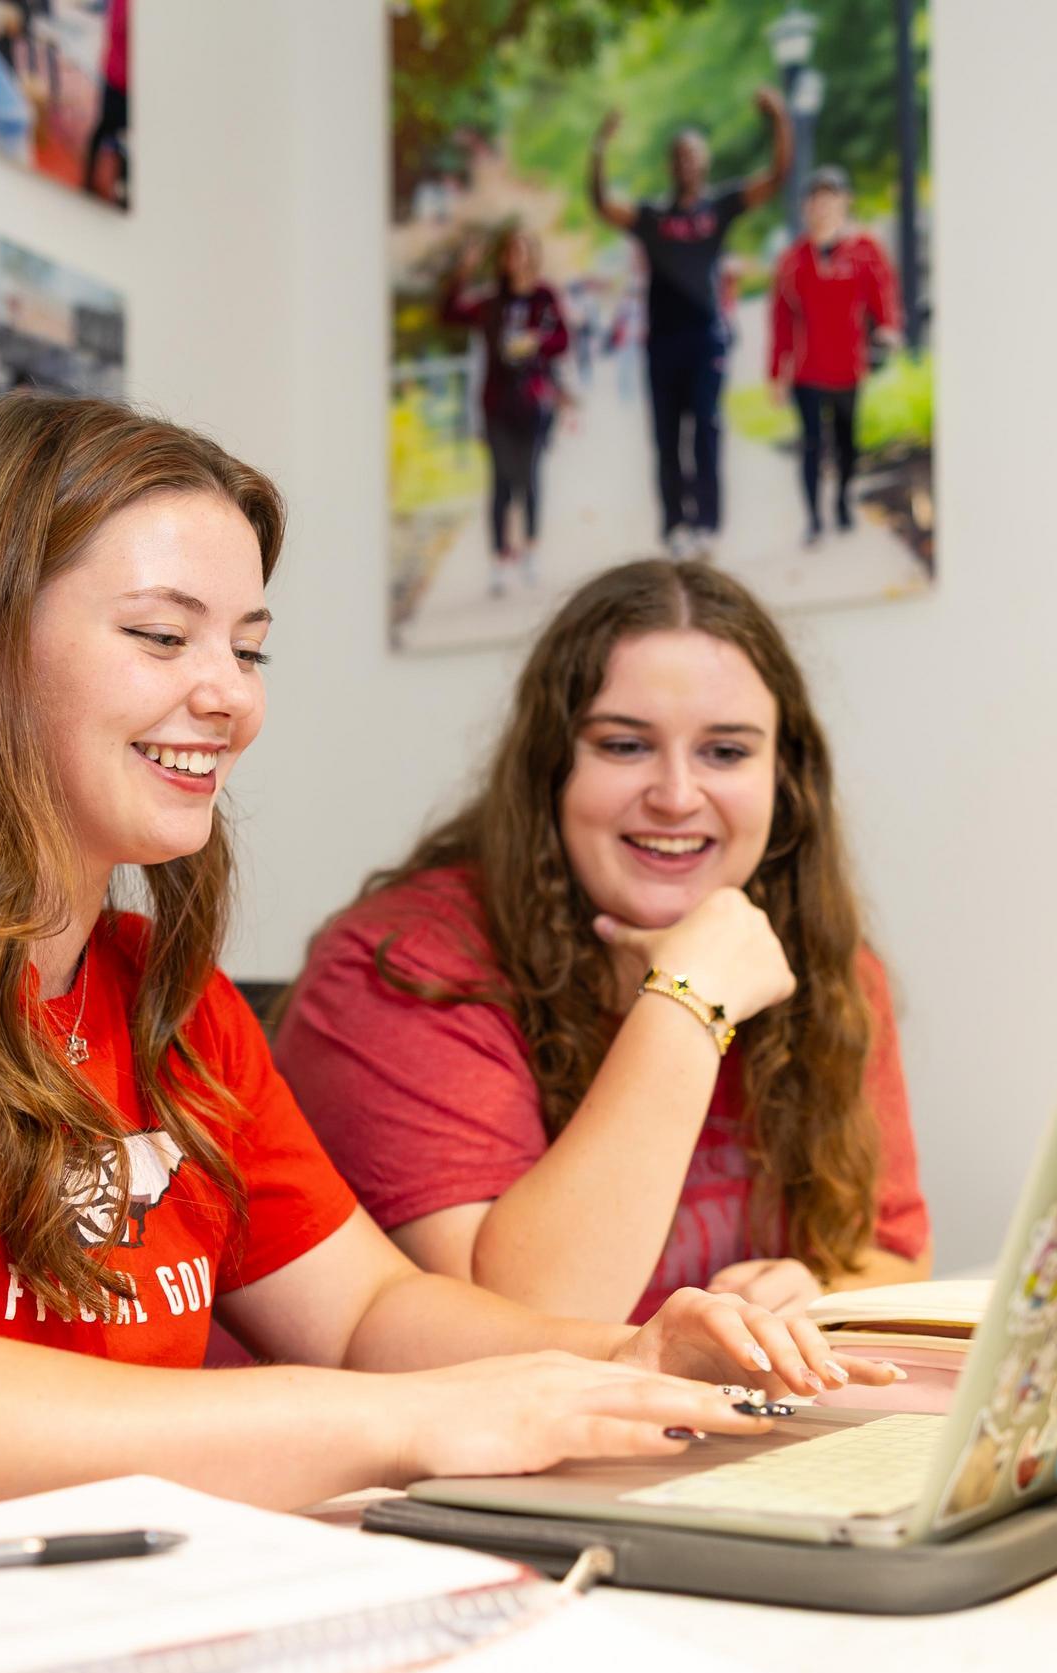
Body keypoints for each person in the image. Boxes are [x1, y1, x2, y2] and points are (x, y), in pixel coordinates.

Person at [0, 399, 892, 1582]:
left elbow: (375, 1315)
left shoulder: (161, 1001)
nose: (231, 696)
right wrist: (422, 1422)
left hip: (4, 1646)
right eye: (162, 637)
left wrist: (633, 1358)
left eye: (247, 648)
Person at [276, 558, 933, 1326]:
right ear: (552, 769)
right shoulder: (398, 971)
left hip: (709, 1432)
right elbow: (524, 1328)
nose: (677, 796)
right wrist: (691, 1001)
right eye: (625, 746)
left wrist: (816, 1300)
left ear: (784, 783)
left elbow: (897, 1264)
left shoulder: (822, 967)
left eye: (726, 752)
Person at [588, 91, 791, 560]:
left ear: (705, 162)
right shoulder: (652, 218)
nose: (687, 163)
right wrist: (600, 147)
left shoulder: (718, 209)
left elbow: (776, 178)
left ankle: (708, 525)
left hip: (706, 339)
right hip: (661, 343)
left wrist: (780, 120)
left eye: (695, 155)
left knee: (707, 430)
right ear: (670, 165)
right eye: (680, 156)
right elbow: (602, 204)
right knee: (665, 438)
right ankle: (675, 525)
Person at [768, 166, 902, 548]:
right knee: (811, 445)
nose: (823, 207)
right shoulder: (792, 260)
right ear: (806, 207)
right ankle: (813, 519)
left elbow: (883, 294)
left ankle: (843, 500)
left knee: (846, 445)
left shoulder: (863, 249)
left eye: (831, 199)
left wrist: (888, 328)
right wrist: (777, 372)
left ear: (845, 203)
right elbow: (781, 320)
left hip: (848, 366)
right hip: (807, 371)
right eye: (815, 200)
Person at [441, 227, 571, 599]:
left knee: (528, 477)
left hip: (533, 402)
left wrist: (538, 342)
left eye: (522, 251)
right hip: (497, 404)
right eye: (510, 252)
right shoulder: (492, 303)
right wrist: (463, 271)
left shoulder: (544, 298)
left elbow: (563, 339)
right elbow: (450, 312)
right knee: (500, 483)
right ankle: (500, 559)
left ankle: (530, 549)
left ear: (532, 256)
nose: (515, 259)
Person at [82, 0, 130, 206]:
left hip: (126, 80)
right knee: (105, 127)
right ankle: (89, 178)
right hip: (117, 78)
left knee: (123, 138)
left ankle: (120, 186)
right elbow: (120, 27)